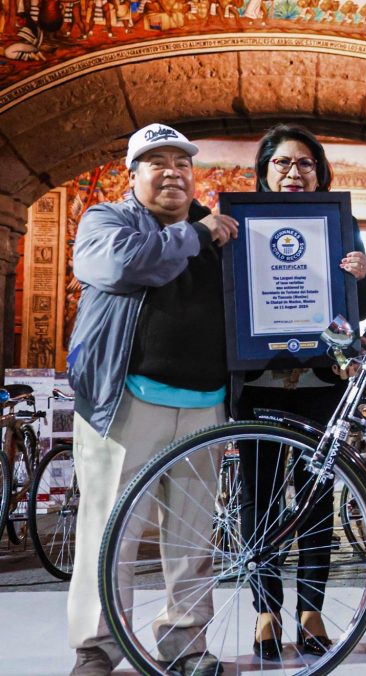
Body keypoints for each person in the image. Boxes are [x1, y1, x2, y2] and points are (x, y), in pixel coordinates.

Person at [65, 123, 239, 676]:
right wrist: (196, 234)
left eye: (182, 163)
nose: (173, 173)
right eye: (157, 162)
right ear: (132, 174)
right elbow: (122, 266)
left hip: (205, 402)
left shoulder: (219, 231)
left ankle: (186, 644)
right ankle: (96, 648)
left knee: (192, 537)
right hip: (125, 402)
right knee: (110, 531)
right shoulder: (107, 221)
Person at [235, 123, 366, 660]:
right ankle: (266, 611)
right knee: (261, 501)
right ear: (264, 172)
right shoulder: (241, 224)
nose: (294, 172)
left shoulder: (339, 223)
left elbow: (359, 308)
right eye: (283, 163)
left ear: (320, 172)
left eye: (305, 163)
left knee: (316, 498)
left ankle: (311, 610)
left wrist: (360, 277)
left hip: (319, 386)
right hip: (260, 388)